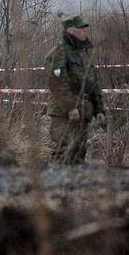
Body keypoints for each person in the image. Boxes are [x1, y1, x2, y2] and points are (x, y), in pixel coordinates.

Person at [45, 15, 105, 164]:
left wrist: (99, 109)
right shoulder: (59, 52)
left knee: (79, 152)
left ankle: (75, 185)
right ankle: (56, 185)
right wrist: (70, 107)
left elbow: (93, 82)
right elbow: (57, 83)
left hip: (84, 111)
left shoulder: (84, 53)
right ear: (71, 30)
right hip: (64, 114)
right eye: (81, 28)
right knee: (63, 152)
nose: (85, 31)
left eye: (85, 28)